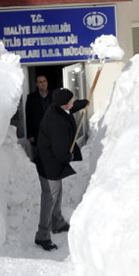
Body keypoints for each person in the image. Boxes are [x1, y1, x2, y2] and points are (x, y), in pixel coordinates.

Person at [34, 87, 89, 251]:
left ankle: (57, 223)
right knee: (49, 198)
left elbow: (71, 106)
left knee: (57, 194)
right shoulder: (57, 122)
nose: (73, 102)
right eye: (72, 101)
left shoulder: (58, 108)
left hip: (50, 162)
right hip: (49, 163)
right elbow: (60, 151)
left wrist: (82, 103)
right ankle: (42, 236)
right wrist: (68, 157)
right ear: (65, 105)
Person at [25, 74, 52, 161]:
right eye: (40, 82)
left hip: (52, 130)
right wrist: (30, 134)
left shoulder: (54, 95)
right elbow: (29, 116)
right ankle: (41, 172)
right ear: (36, 84)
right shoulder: (31, 98)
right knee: (40, 155)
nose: (43, 83)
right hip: (38, 132)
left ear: (47, 83)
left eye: (44, 81)